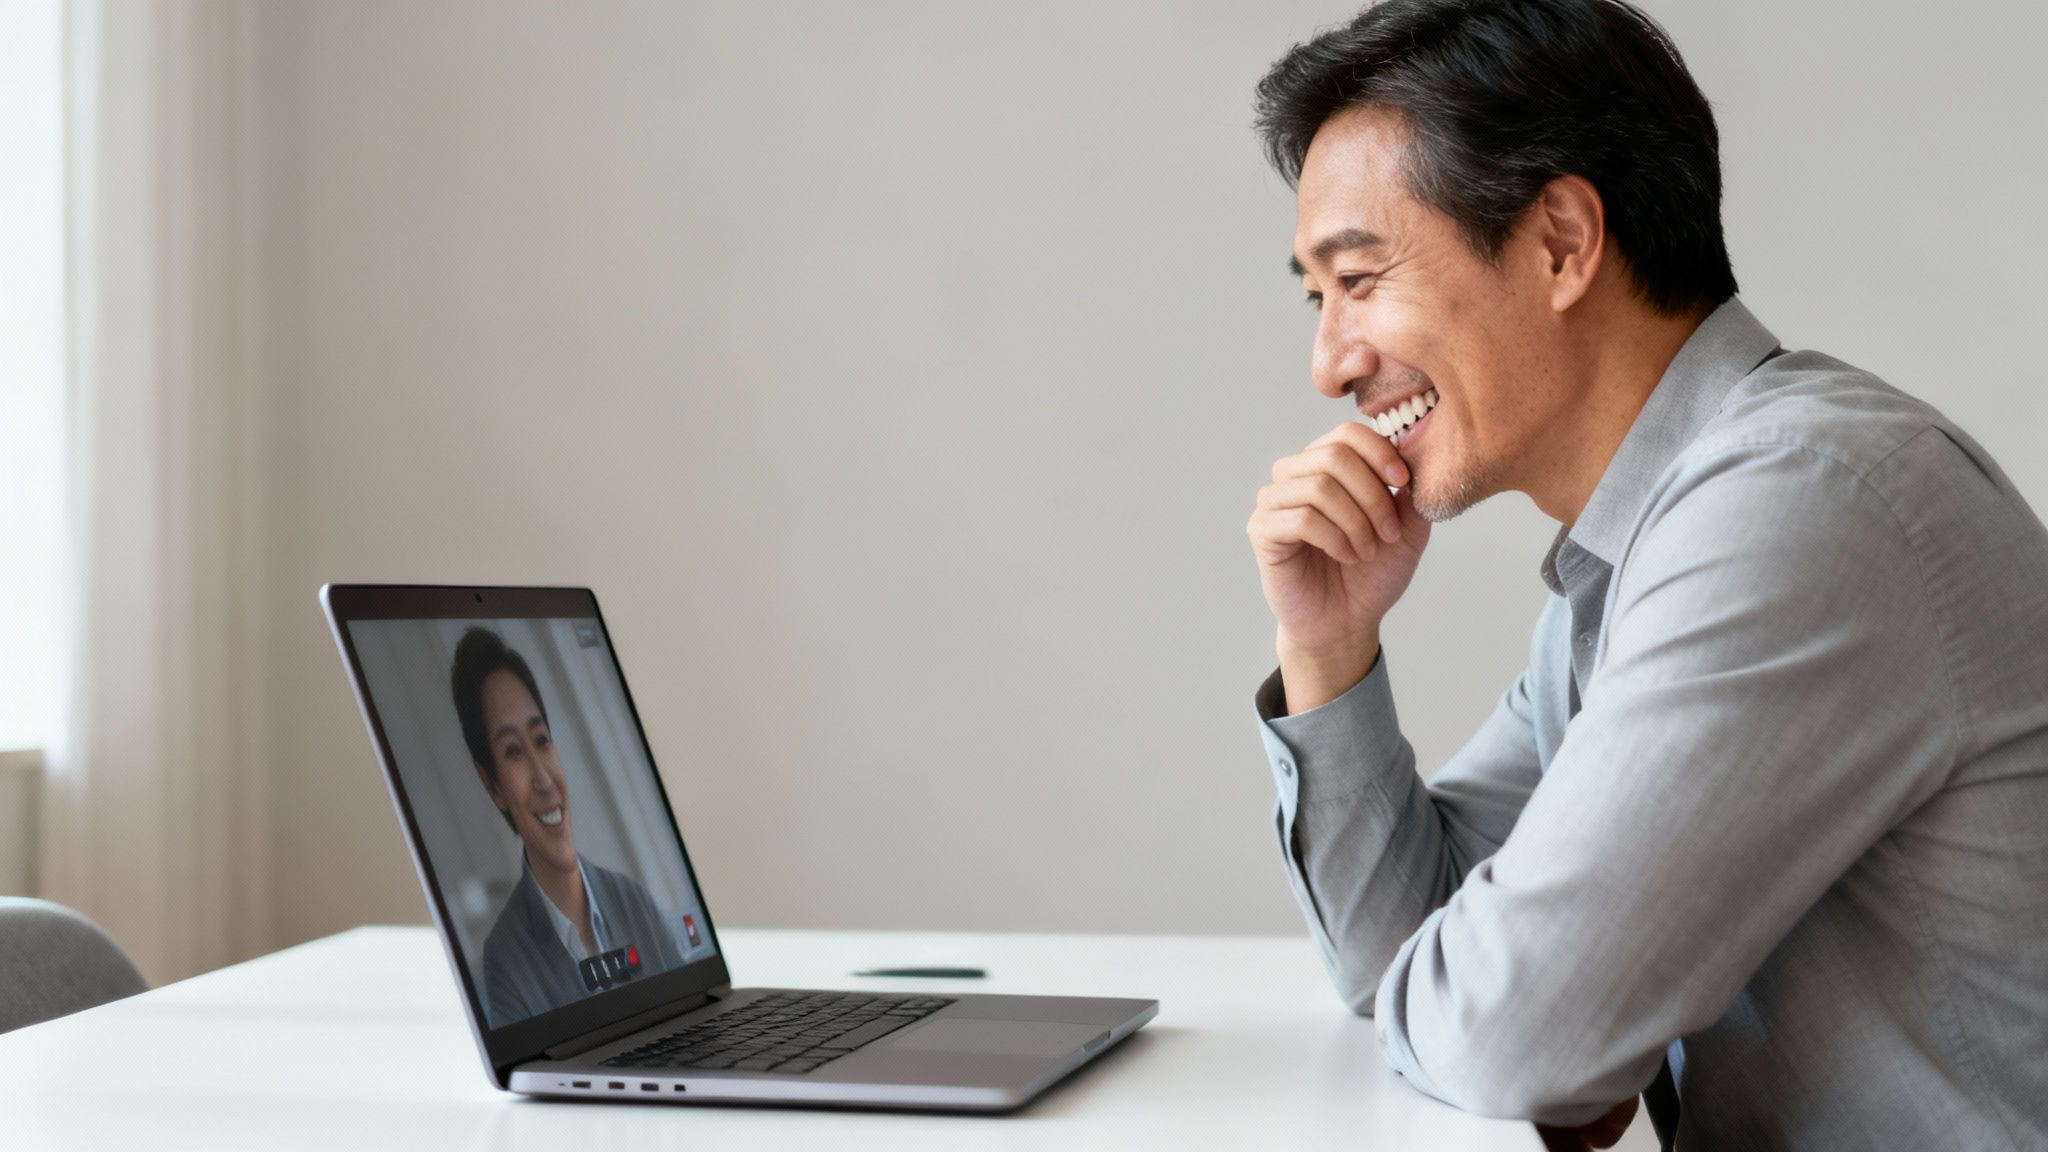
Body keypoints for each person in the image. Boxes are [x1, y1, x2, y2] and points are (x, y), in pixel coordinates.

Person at [1242, 2, 2048, 1149]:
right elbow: (1409, 965)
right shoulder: (1637, 554)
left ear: (1562, 242)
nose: (1329, 364)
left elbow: (1513, 1036)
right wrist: (1327, 649)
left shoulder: (1796, 506)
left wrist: (1551, 1027)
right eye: (1315, 297)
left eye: (1359, 278)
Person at [448, 627, 686, 1028]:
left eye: (542, 740)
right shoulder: (506, 961)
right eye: (512, 752)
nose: (543, 778)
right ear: (492, 785)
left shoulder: (634, 901)